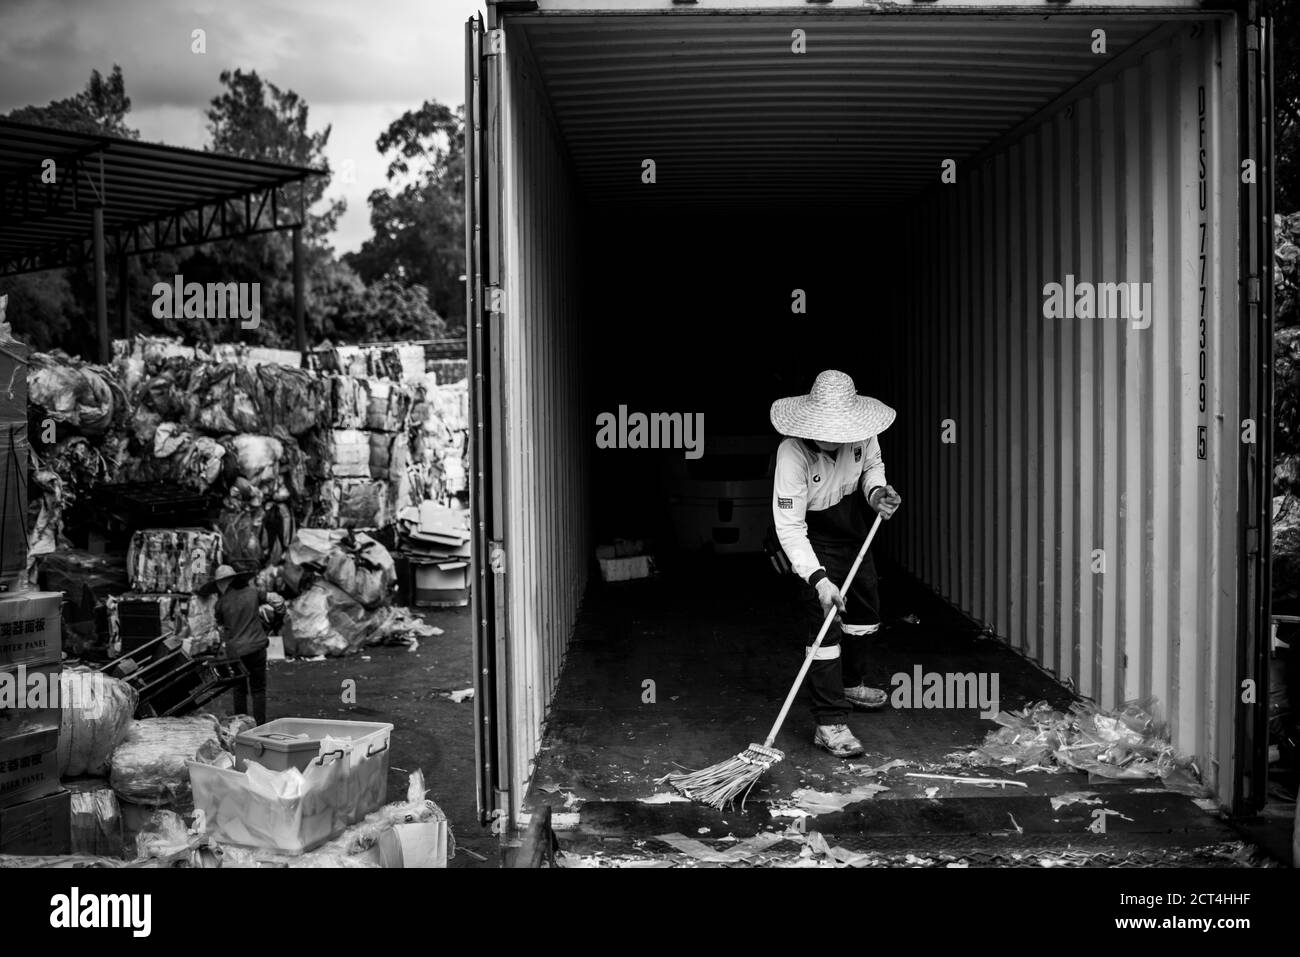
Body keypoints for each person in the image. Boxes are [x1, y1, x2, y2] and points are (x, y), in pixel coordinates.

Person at [770, 369, 902, 758]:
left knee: (865, 613)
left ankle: (850, 682)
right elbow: (790, 528)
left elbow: (872, 464)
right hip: (813, 538)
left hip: (851, 527)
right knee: (824, 628)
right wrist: (819, 581)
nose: (842, 438)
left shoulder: (861, 430)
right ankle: (829, 722)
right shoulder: (791, 454)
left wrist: (876, 492)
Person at [209, 564, 271, 725]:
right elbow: (271, 602)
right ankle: (260, 725)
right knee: (258, 690)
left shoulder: (221, 604)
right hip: (257, 647)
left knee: (239, 690)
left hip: (236, 653)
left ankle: (242, 726)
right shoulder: (253, 593)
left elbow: (221, 626)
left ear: (221, 583)